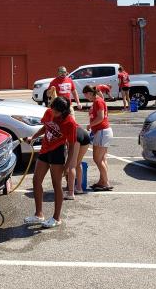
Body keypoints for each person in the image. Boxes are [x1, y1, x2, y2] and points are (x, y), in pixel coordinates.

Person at [24, 97, 78, 228]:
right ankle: (38, 214)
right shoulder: (49, 112)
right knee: (36, 181)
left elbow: (71, 145)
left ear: (63, 112)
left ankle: (56, 218)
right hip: (45, 150)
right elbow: (45, 126)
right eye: (52, 109)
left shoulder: (69, 122)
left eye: (56, 112)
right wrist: (33, 137)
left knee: (56, 184)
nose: (53, 113)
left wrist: (68, 165)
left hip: (57, 152)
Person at [85, 85, 113, 190]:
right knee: (102, 158)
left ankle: (105, 182)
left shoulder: (98, 101)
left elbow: (101, 117)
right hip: (102, 132)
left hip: (102, 131)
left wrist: (90, 125)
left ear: (91, 93)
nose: (86, 97)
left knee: (97, 159)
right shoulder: (97, 101)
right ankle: (102, 181)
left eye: (86, 94)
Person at [64, 125, 91, 200]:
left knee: (72, 165)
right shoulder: (68, 119)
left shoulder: (59, 122)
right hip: (84, 134)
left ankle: (70, 193)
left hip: (74, 135)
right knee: (78, 163)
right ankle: (79, 188)